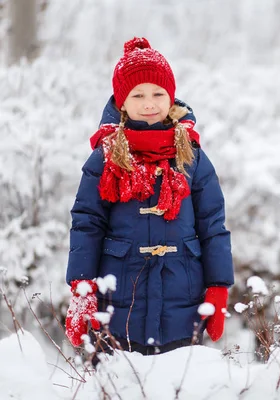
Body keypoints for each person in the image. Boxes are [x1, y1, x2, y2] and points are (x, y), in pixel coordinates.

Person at [64, 37, 234, 358]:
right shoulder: (105, 157)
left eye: (158, 93)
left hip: (182, 297)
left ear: (170, 98)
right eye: (137, 95)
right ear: (121, 102)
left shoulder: (192, 156)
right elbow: (87, 224)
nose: (149, 103)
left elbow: (213, 224)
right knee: (118, 383)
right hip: (118, 299)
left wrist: (218, 286)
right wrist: (82, 289)